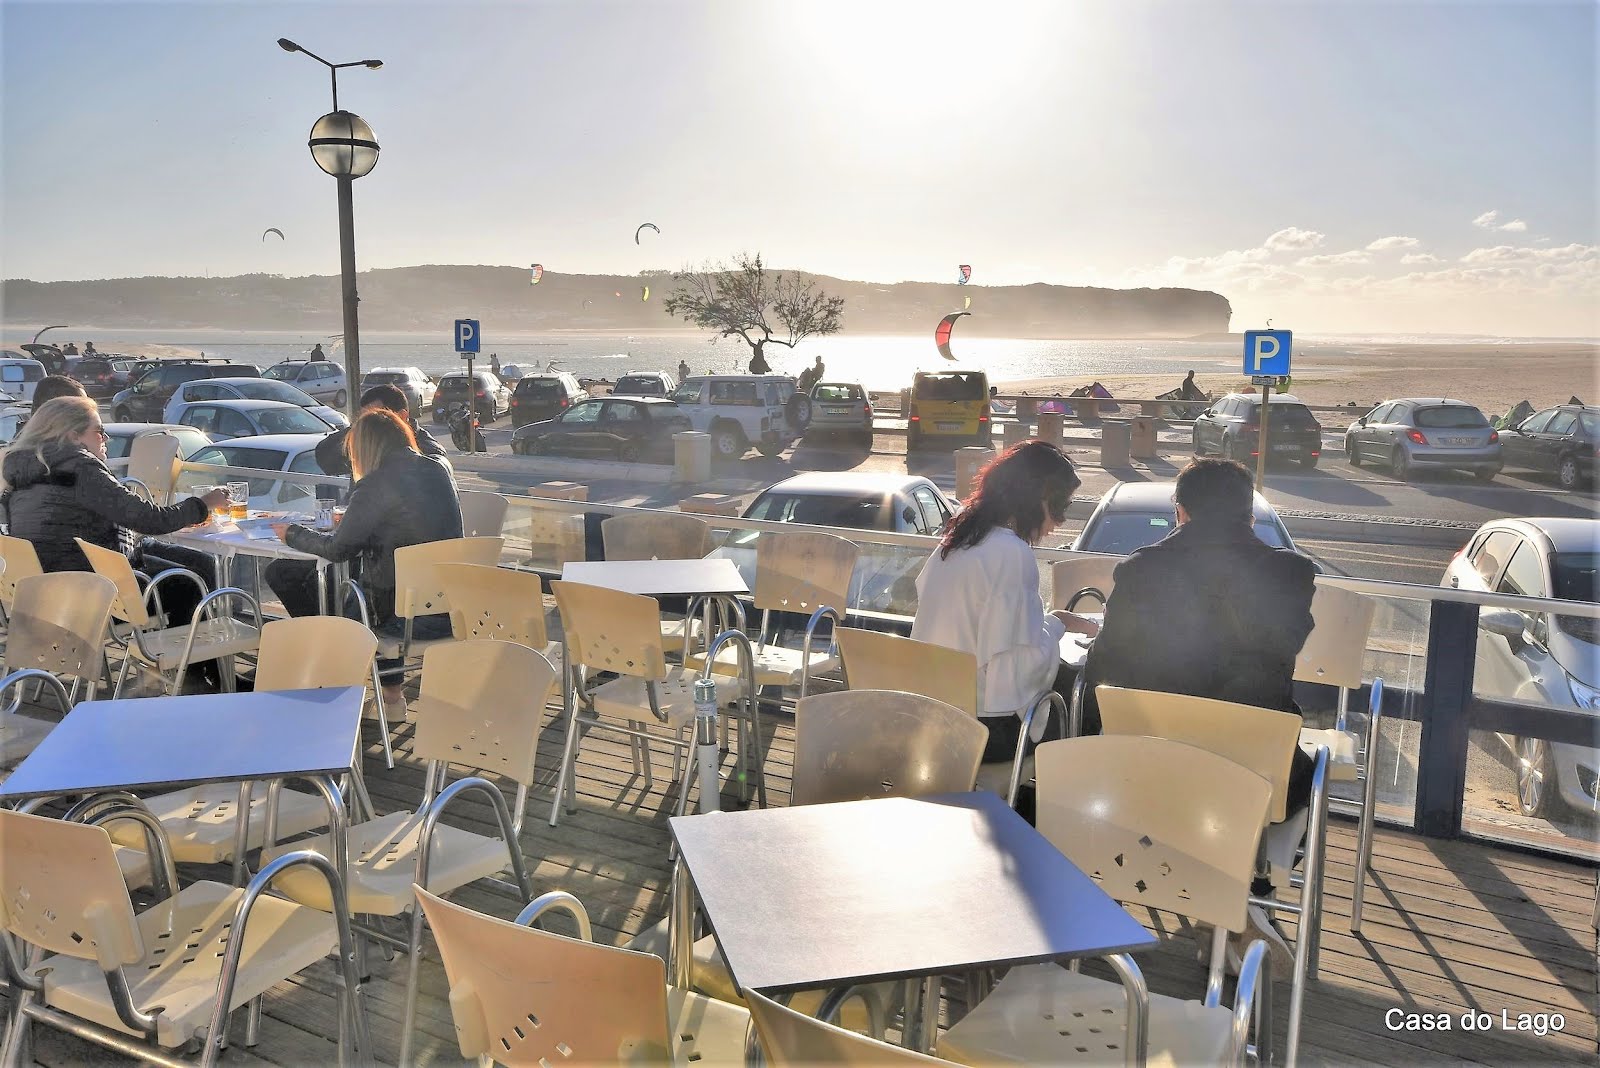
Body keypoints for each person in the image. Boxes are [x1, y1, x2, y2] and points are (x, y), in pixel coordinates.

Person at [1079, 457, 1315, 962]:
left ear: (1180, 513)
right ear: (1248, 514)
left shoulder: (1140, 571)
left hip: (1151, 770)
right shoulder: (1290, 575)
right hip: (1251, 776)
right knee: (1299, 774)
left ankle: (1207, 892)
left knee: (1180, 763)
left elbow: (1104, 666)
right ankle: (1249, 892)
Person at [912, 440, 1099, 773]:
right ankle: (1044, 812)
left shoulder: (957, 542)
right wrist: (1056, 624)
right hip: (983, 730)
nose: (1059, 521)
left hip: (933, 715)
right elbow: (1017, 670)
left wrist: (1051, 623)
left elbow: (993, 637)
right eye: (1060, 505)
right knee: (1082, 704)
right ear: (1041, 497)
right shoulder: (1011, 553)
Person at [266, 408, 463, 710]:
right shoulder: (437, 470)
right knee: (364, 590)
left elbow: (337, 550)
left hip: (397, 618)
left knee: (289, 576)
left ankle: (331, 686)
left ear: (363, 447)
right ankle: (389, 698)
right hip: (451, 611)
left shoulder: (375, 484)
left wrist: (292, 533)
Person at [1, 397, 227, 626]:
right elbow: (149, 519)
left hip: (43, 592)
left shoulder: (25, 471)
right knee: (191, 583)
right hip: (88, 593)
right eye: (99, 431)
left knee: (200, 564)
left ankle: (176, 652)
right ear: (73, 435)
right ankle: (182, 656)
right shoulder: (81, 468)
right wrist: (203, 504)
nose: (106, 438)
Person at [315, 383, 448, 477]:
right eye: (365, 419)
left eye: (375, 419)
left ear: (402, 416)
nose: (370, 426)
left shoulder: (429, 452)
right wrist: (358, 429)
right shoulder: (365, 441)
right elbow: (325, 458)